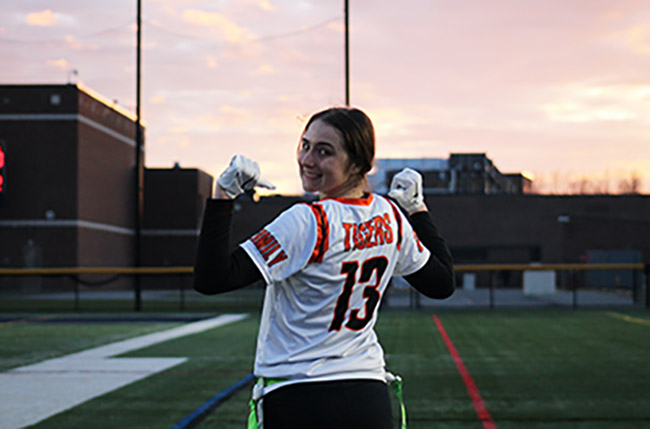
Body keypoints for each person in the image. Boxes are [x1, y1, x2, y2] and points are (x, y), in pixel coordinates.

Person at [193, 107, 455, 429]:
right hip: (368, 395)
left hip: (299, 397)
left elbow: (212, 278)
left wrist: (223, 197)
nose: (307, 159)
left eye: (324, 151)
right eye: (305, 145)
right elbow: (442, 283)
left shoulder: (307, 221)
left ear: (358, 164)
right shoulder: (390, 216)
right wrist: (417, 209)